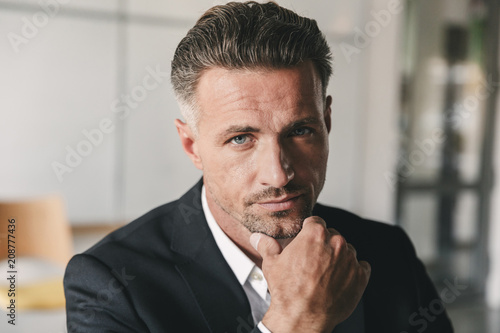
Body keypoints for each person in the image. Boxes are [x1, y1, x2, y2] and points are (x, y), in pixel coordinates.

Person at [64, 2, 454, 332]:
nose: (279, 174)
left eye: (300, 131)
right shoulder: (109, 282)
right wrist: (293, 322)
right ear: (191, 145)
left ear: (327, 122)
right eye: (241, 139)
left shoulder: (387, 250)